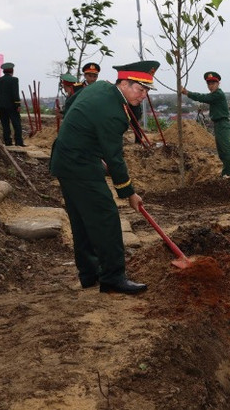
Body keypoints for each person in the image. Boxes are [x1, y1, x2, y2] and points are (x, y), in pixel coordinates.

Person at [50, 60, 160, 295]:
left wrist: (84, 141)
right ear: (124, 83)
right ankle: (113, 278)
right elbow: (115, 157)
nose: (143, 96)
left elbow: (71, 107)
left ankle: (89, 275)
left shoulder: (100, 88)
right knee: (106, 217)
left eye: (147, 91)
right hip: (80, 165)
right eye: (140, 90)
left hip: (65, 159)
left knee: (82, 220)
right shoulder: (114, 112)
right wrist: (128, 192)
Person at [181, 71, 230, 175]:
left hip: (223, 124)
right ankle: (227, 172)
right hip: (218, 124)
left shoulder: (218, 94)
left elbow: (203, 97)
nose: (210, 86)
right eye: (208, 84)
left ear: (218, 84)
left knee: (226, 148)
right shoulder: (214, 95)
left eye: (213, 83)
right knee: (221, 151)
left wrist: (187, 93)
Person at [0, 62, 24, 146]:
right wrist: (18, 105)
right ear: (12, 70)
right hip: (12, 106)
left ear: (3, 71)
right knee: (16, 124)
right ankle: (18, 142)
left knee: (5, 124)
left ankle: (8, 142)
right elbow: (15, 93)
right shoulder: (14, 80)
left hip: (1, 106)